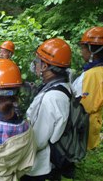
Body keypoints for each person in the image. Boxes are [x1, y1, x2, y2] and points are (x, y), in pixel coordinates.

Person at [20, 38, 72, 181]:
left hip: (39, 168)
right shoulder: (64, 86)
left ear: (44, 67)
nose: (35, 64)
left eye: (37, 61)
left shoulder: (52, 98)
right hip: (50, 163)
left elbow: (38, 140)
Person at [72, 26, 103, 150]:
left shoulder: (95, 74)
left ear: (92, 50)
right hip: (90, 123)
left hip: (83, 124)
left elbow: (84, 105)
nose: (81, 51)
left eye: (83, 48)